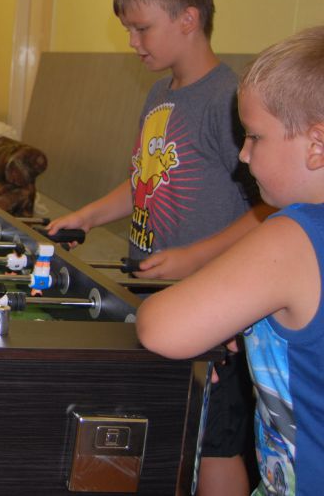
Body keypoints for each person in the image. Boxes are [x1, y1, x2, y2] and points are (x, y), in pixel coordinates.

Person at [47, 0, 259, 495]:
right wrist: (88, 215)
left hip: (212, 301)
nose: (132, 42)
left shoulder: (228, 102)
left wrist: (194, 257)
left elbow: (267, 211)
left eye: (142, 28)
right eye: (128, 29)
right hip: (153, 293)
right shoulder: (160, 92)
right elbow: (144, 179)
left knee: (216, 439)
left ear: (188, 19)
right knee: (166, 426)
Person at [137, 26, 324, 495]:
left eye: (255, 137)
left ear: (316, 145)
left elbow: (162, 327)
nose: (243, 154)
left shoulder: (291, 234)